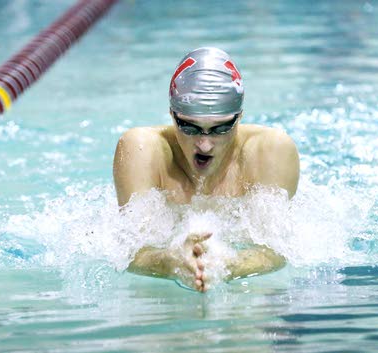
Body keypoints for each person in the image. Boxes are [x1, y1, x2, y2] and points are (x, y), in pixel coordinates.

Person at [113, 47, 299, 292]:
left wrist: (232, 265)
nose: (204, 144)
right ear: (172, 115)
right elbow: (132, 251)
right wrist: (168, 262)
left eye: (220, 129)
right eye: (190, 127)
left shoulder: (269, 151)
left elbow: (276, 250)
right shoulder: (142, 149)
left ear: (239, 117)